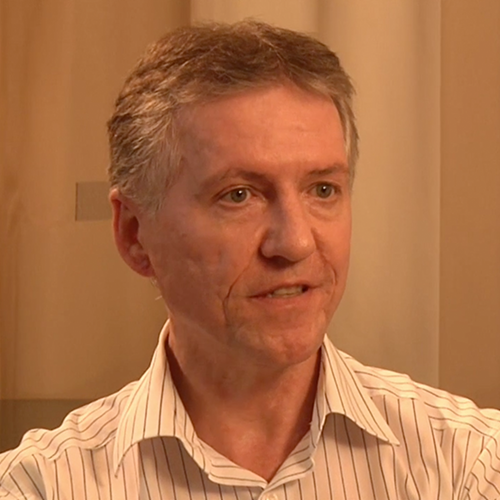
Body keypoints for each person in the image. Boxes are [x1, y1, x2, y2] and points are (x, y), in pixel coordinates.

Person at [1, 20, 499, 500]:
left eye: (323, 189)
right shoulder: (42, 486)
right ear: (135, 235)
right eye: (239, 195)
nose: (296, 243)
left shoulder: (467, 465)